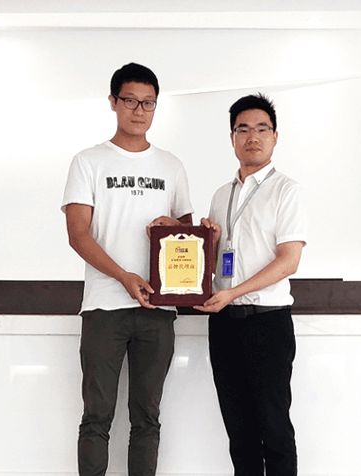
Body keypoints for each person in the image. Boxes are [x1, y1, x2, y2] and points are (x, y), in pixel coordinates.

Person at [61, 62, 193, 476]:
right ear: (113, 102)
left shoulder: (171, 165)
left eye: (148, 103)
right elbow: (78, 235)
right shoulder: (88, 161)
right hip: (104, 306)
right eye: (131, 101)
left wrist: (172, 226)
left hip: (158, 309)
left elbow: (188, 239)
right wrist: (124, 277)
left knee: (147, 419)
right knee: (96, 417)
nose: (139, 110)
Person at [195, 93, 306, 476]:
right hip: (224, 325)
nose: (252, 137)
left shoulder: (287, 190)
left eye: (261, 129)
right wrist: (207, 242)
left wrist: (233, 293)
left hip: (267, 322)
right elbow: (214, 265)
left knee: (274, 429)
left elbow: (289, 260)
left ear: (275, 136)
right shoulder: (221, 195)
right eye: (243, 129)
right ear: (232, 138)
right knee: (238, 432)